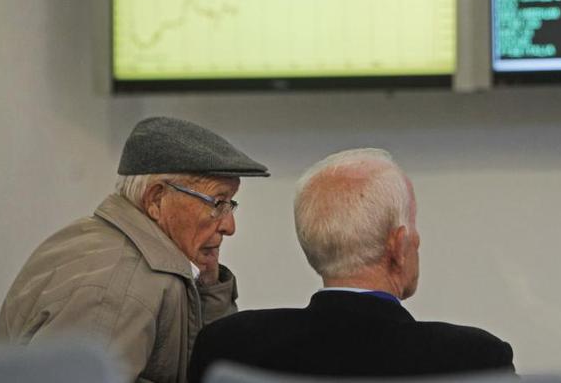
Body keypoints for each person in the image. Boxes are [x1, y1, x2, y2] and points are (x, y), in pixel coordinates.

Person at [188, 148, 514, 382]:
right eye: (413, 226)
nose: (418, 241)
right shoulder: (475, 361)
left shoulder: (229, 347)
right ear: (398, 246)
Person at [0, 116, 270, 383]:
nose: (229, 225)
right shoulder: (120, 288)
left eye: (230, 204)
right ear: (156, 199)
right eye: (217, 202)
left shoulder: (95, 238)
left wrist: (208, 286)